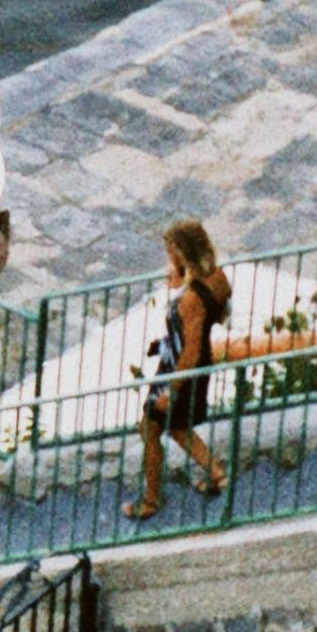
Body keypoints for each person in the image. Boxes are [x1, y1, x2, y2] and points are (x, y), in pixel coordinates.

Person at [126, 218, 232, 520]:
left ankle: (150, 500)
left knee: (149, 428)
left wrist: (171, 391)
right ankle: (216, 473)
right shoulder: (218, 278)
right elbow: (221, 314)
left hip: (179, 369)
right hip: (190, 364)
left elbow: (191, 348)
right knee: (177, 427)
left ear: (182, 251)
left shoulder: (191, 299)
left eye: (171, 251)